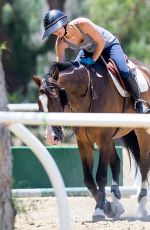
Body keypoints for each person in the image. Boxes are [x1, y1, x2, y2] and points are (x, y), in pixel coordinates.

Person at [42, 9, 149, 113]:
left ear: (64, 23)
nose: (55, 33)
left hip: (108, 45)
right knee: (75, 73)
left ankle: (138, 100)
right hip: (88, 50)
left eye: (56, 29)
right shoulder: (60, 43)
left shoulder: (82, 24)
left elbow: (101, 42)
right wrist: (53, 81)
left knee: (123, 70)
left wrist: (92, 60)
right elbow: (60, 66)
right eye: (52, 32)